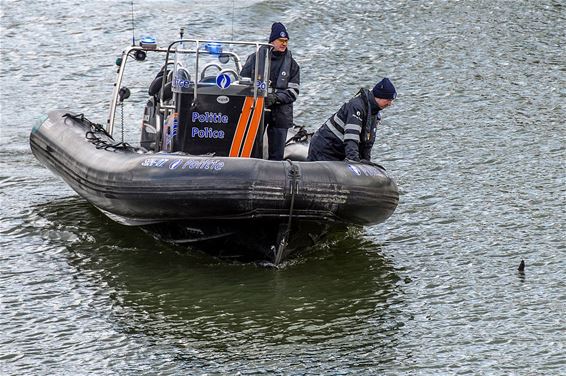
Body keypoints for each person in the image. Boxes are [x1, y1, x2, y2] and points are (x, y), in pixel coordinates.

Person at [240, 22, 301, 160]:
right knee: (251, 150)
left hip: (280, 113)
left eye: (286, 41)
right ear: (272, 41)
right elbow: (242, 81)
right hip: (256, 109)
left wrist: (276, 97)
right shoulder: (255, 58)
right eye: (281, 41)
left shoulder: (292, 65)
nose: (284, 44)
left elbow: (294, 92)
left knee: (277, 155)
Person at [307, 78, 397, 162]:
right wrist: (354, 161)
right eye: (388, 100)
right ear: (379, 96)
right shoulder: (356, 107)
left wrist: (366, 163)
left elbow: (367, 144)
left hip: (339, 152)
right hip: (325, 148)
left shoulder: (375, 114)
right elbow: (351, 138)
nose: (390, 104)